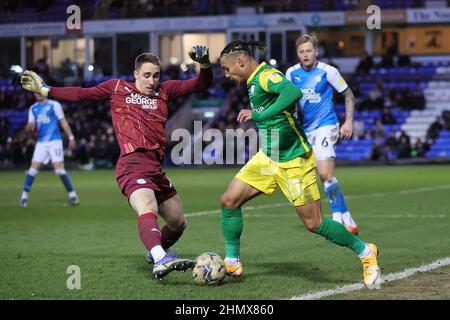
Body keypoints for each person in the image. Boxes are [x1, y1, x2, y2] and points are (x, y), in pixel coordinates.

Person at [20, 45, 213, 279]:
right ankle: (161, 258)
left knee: (178, 222)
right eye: (146, 75)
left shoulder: (165, 91)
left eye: (155, 75)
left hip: (155, 167)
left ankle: (155, 252)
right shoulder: (118, 89)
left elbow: (201, 84)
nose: (152, 81)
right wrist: (46, 89)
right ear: (135, 74)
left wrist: (204, 65)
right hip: (131, 163)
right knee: (147, 206)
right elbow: (83, 94)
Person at [218, 40, 381, 289]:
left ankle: (365, 252)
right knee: (229, 201)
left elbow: (293, 93)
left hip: (294, 160)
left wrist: (259, 115)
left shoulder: (267, 76)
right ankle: (232, 260)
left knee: (314, 223)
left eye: (227, 69)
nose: (226, 75)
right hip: (268, 156)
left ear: (241, 62)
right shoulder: (253, 81)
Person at [285, 34, 359, 234]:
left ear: (316, 52)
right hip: (306, 129)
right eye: (301, 51)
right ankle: (347, 218)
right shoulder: (291, 74)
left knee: (325, 173)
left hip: (327, 125)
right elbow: (284, 99)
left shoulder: (328, 72)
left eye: (309, 51)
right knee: (313, 175)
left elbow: (348, 94)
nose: (305, 54)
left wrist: (349, 121)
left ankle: (336, 218)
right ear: (297, 54)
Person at [20, 93, 79, 207]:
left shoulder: (54, 105)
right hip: (41, 143)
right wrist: (29, 127)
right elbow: (29, 126)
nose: (38, 94)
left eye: (40, 91)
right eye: (35, 92)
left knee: (59, 171)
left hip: (54, 141)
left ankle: (73, 196)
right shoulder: (33, 108)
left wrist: (71, 137)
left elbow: (63, 121)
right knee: (32, 170)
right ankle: (23, 198)